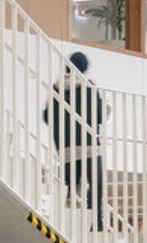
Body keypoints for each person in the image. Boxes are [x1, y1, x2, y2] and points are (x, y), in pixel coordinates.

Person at [43, 51, 105, 231]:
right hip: (89, 147)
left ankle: (65, 225)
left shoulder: (57, 88)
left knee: (69, 189)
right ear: (85, 68)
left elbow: (48, 116)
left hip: (66, 149)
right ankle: (95, 224)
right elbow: (99, 115)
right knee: (95, 186)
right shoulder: (88, 86)